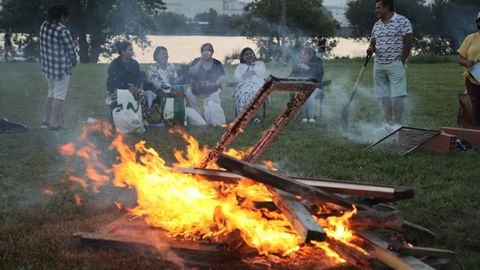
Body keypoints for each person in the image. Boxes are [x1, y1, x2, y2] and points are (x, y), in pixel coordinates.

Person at [367, 0, 413, 131]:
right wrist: (370, 48)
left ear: (387, 7)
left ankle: (398, 125)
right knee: (384, 95)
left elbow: (409, 41)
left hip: (395, 64)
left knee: (398, 95)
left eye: (378, 8)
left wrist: (402, 60)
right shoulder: (376, 25)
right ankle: (388, 123)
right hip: (379, 64)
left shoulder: (402, 21)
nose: (376, 10)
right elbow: (373, 42)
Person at [39, 5, 77, 131]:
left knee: (51, 92)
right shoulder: (63, 30)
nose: (66, 20)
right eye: (65, 17)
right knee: (59, 96)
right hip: (61, 68)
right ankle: (55, 125)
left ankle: (45, 121)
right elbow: (71, 50)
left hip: (48, 66)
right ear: (62, 16)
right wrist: (73, 61)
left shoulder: (44, 25)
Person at [186, 43, 226, 126]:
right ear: (201, 52)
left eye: (209, 50)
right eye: (205, 50)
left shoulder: (216, 63)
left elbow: (222, 77)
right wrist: (201, 61)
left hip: (213, 87)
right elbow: (191, 72)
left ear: (212, 52)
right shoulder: (197, 61)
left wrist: (214, 84)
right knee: (189, 93)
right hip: (198, 87)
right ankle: (199, 116)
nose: (207, 52)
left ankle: (213, 118)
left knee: (214, 97)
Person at [105, 40, 144, 123]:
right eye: (130, 50)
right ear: (123, 51)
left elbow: (138, 77)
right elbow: (115, 81)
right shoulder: (115, 64)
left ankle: (139, 118)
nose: (132, 52)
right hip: (116, 89)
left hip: (132, 88)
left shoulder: (134, 64)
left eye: (132, 50)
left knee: (144, 96)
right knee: (121, 96)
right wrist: (128, 87)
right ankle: (115, 119)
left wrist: (136, 86)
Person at [146, 46, 185, 125]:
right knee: (165, 96)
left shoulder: (172, 67)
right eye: (163, 54)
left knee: (180, 93)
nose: (166, 56)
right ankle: (168, 118)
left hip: (172, 88)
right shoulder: (152, 67)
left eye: (166, 54)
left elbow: (176, 80)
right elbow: (152, 81)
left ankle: (179, 117)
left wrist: (175, 81)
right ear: (156, 56)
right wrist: (161, 85)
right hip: (159, 90)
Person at [232, 47, 268, 123]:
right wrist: (246, 74)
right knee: (243, 94)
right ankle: (249, 116)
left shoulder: (260, 64)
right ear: (243, 57)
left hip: (257, 86)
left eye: (250, 53)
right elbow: (236, 78)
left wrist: (253, 66)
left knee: (252, 93)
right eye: (246, 54)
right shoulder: (240, 66)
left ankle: (250, 116)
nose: (249, 56)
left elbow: (263, 73)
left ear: (254, 55)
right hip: (243, 86)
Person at [289, 47, 324, 123]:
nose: (302, 56)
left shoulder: (318, 63)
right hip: (302, 87)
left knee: (309, 94)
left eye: (304, 54)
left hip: (316, 88)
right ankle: (305, 117)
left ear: (310, 55)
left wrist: (307, 68)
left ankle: (311, 117)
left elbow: (318, 77)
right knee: (300, 93)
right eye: (302, 54)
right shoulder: (299, 64)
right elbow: (291, 75)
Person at [458, 11, 480, 129]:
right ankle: (476, 135)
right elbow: (460, 58)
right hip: (473, 79)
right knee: (475, 109)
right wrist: (467, 62)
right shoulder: (470, 38)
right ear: (478, 23)